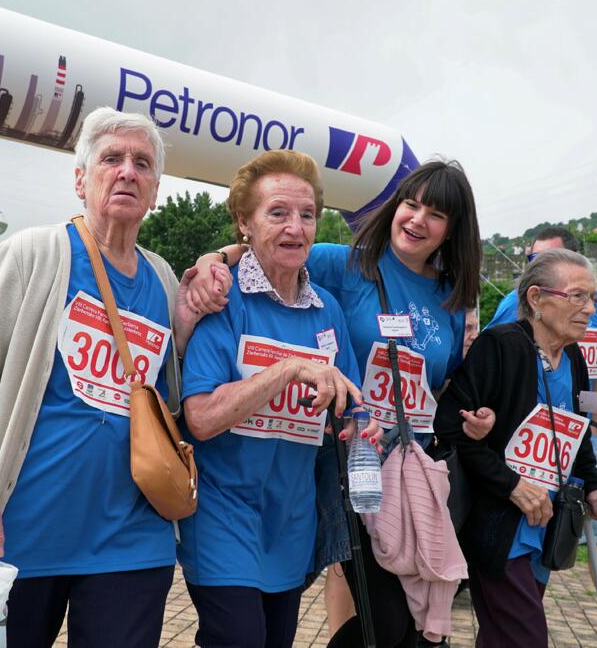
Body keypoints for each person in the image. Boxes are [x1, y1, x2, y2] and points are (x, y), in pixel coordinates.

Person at [0, 107, 227, 647]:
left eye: (142, 164)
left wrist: (193, 308)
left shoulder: (162, 277)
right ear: (80, 179)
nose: (127, 172)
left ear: (155, 190)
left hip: (133, 539)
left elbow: (168, 395)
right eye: (111, 159)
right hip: (22, 535)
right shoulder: (34, 254)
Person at [189, 160, 494, 647]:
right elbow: (270, 248)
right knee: (380, 619)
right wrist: (212, 259)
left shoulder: (450, 298)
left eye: (435, 214)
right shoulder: (344, 264)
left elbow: (435, 387)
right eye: (410, 204)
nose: (416, 219)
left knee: (405, 624)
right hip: (336, 479)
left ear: (453, 229)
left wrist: (470, 418)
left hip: (400, 473)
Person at [179, 149, 374, 648]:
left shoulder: (326, 308)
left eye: (307, 215)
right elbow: (199, 418)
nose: (296, 227)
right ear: (244, 222)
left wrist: (361, 427)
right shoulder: (223, 299)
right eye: (278, 213)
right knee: (238, 637)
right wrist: (286, 370)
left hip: (291, 519)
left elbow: (350, 403)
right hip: (222, 513)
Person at [436, 249, 597, 647]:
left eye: (594, 298)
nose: (590, 309)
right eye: (577, 296)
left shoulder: (575, 359)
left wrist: (594, 485)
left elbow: (578, 434)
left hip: (546, 527)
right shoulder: (499, 346)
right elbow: (449, 426)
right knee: (526, 637)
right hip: (499, 526)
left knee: (504, 637)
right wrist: (512, 485)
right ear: (536, 299)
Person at [485, 228, 597, 648]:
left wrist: (592, 422)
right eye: (532, 261)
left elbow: (596, 367)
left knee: (596, 535)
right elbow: (490, 373)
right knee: (521, 623)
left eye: (587, 296)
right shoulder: (512, 310)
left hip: (571, 445)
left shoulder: (596, 310)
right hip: (512, 479)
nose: (587, 307)